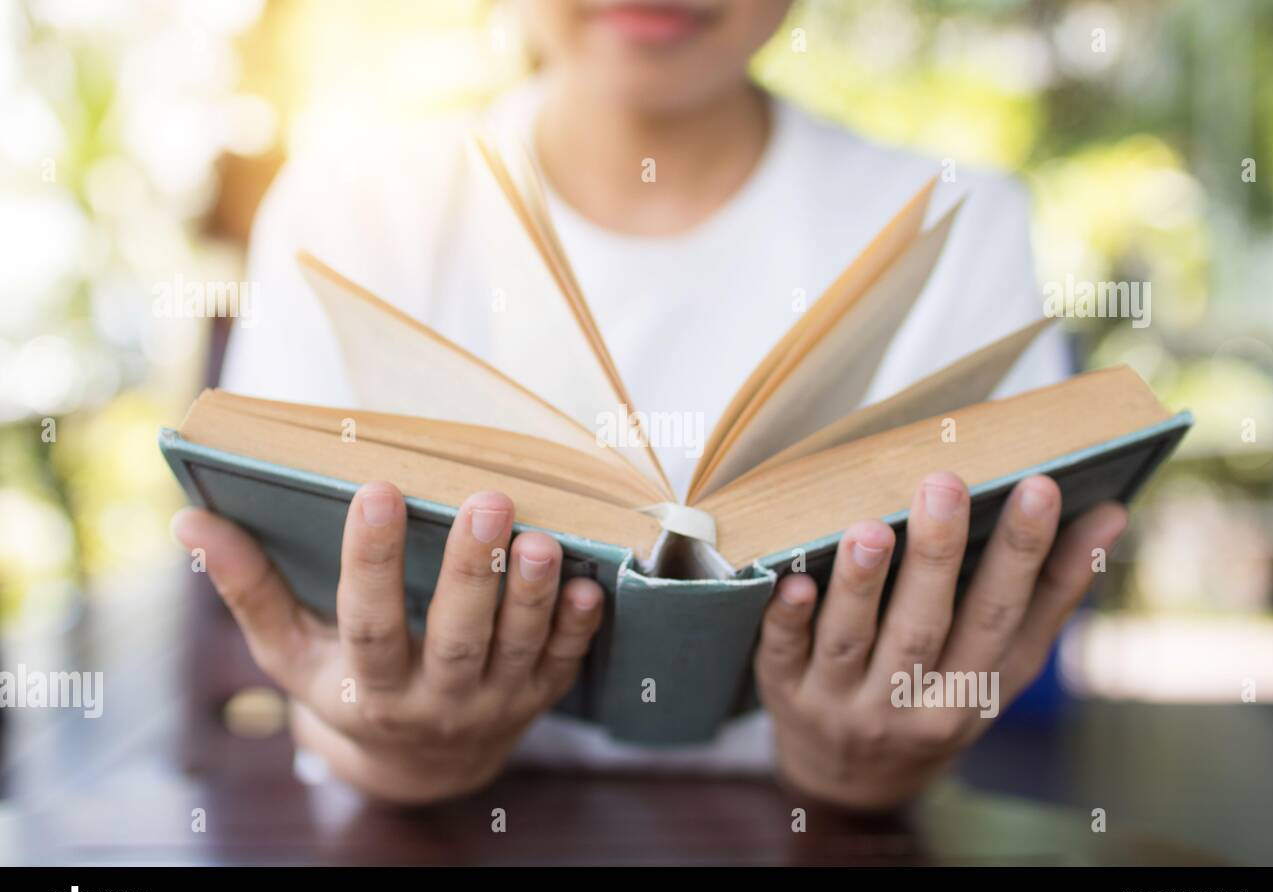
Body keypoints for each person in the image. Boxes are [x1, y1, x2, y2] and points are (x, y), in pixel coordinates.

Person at [172, 0, 1129, 808]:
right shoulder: (343, 214)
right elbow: (314, 661)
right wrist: (391, 751)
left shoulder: (960, 224)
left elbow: (980, 642)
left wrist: (867, 771)